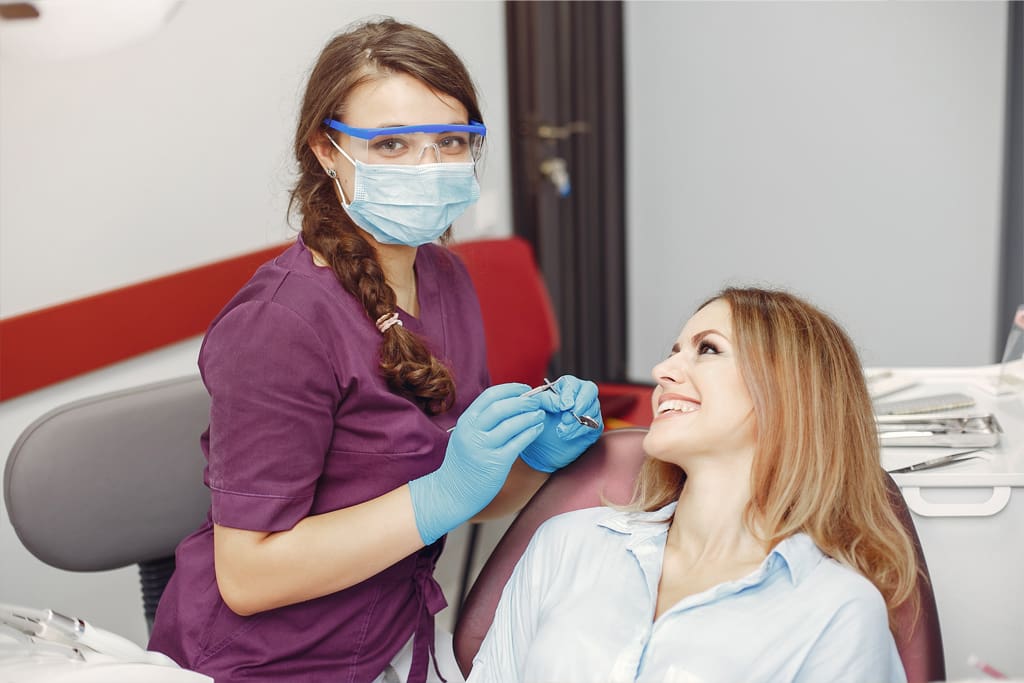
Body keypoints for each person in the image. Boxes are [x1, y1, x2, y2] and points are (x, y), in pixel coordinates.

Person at [148, 17, 602, 683]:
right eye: (390, 144)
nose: (430, 167)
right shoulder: (282, 323)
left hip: (390, 640)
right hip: (268, 662)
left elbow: (458, 491)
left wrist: (531, 462)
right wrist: (441, 491)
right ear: (327, 150)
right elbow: (247, 574)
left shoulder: (443, 277)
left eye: (451, 141)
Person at [467, 287, 920, 683]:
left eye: (707, 350)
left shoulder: (836, 611)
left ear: (790, 392)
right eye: (674, 350)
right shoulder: (567, 543)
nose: (662, 369)